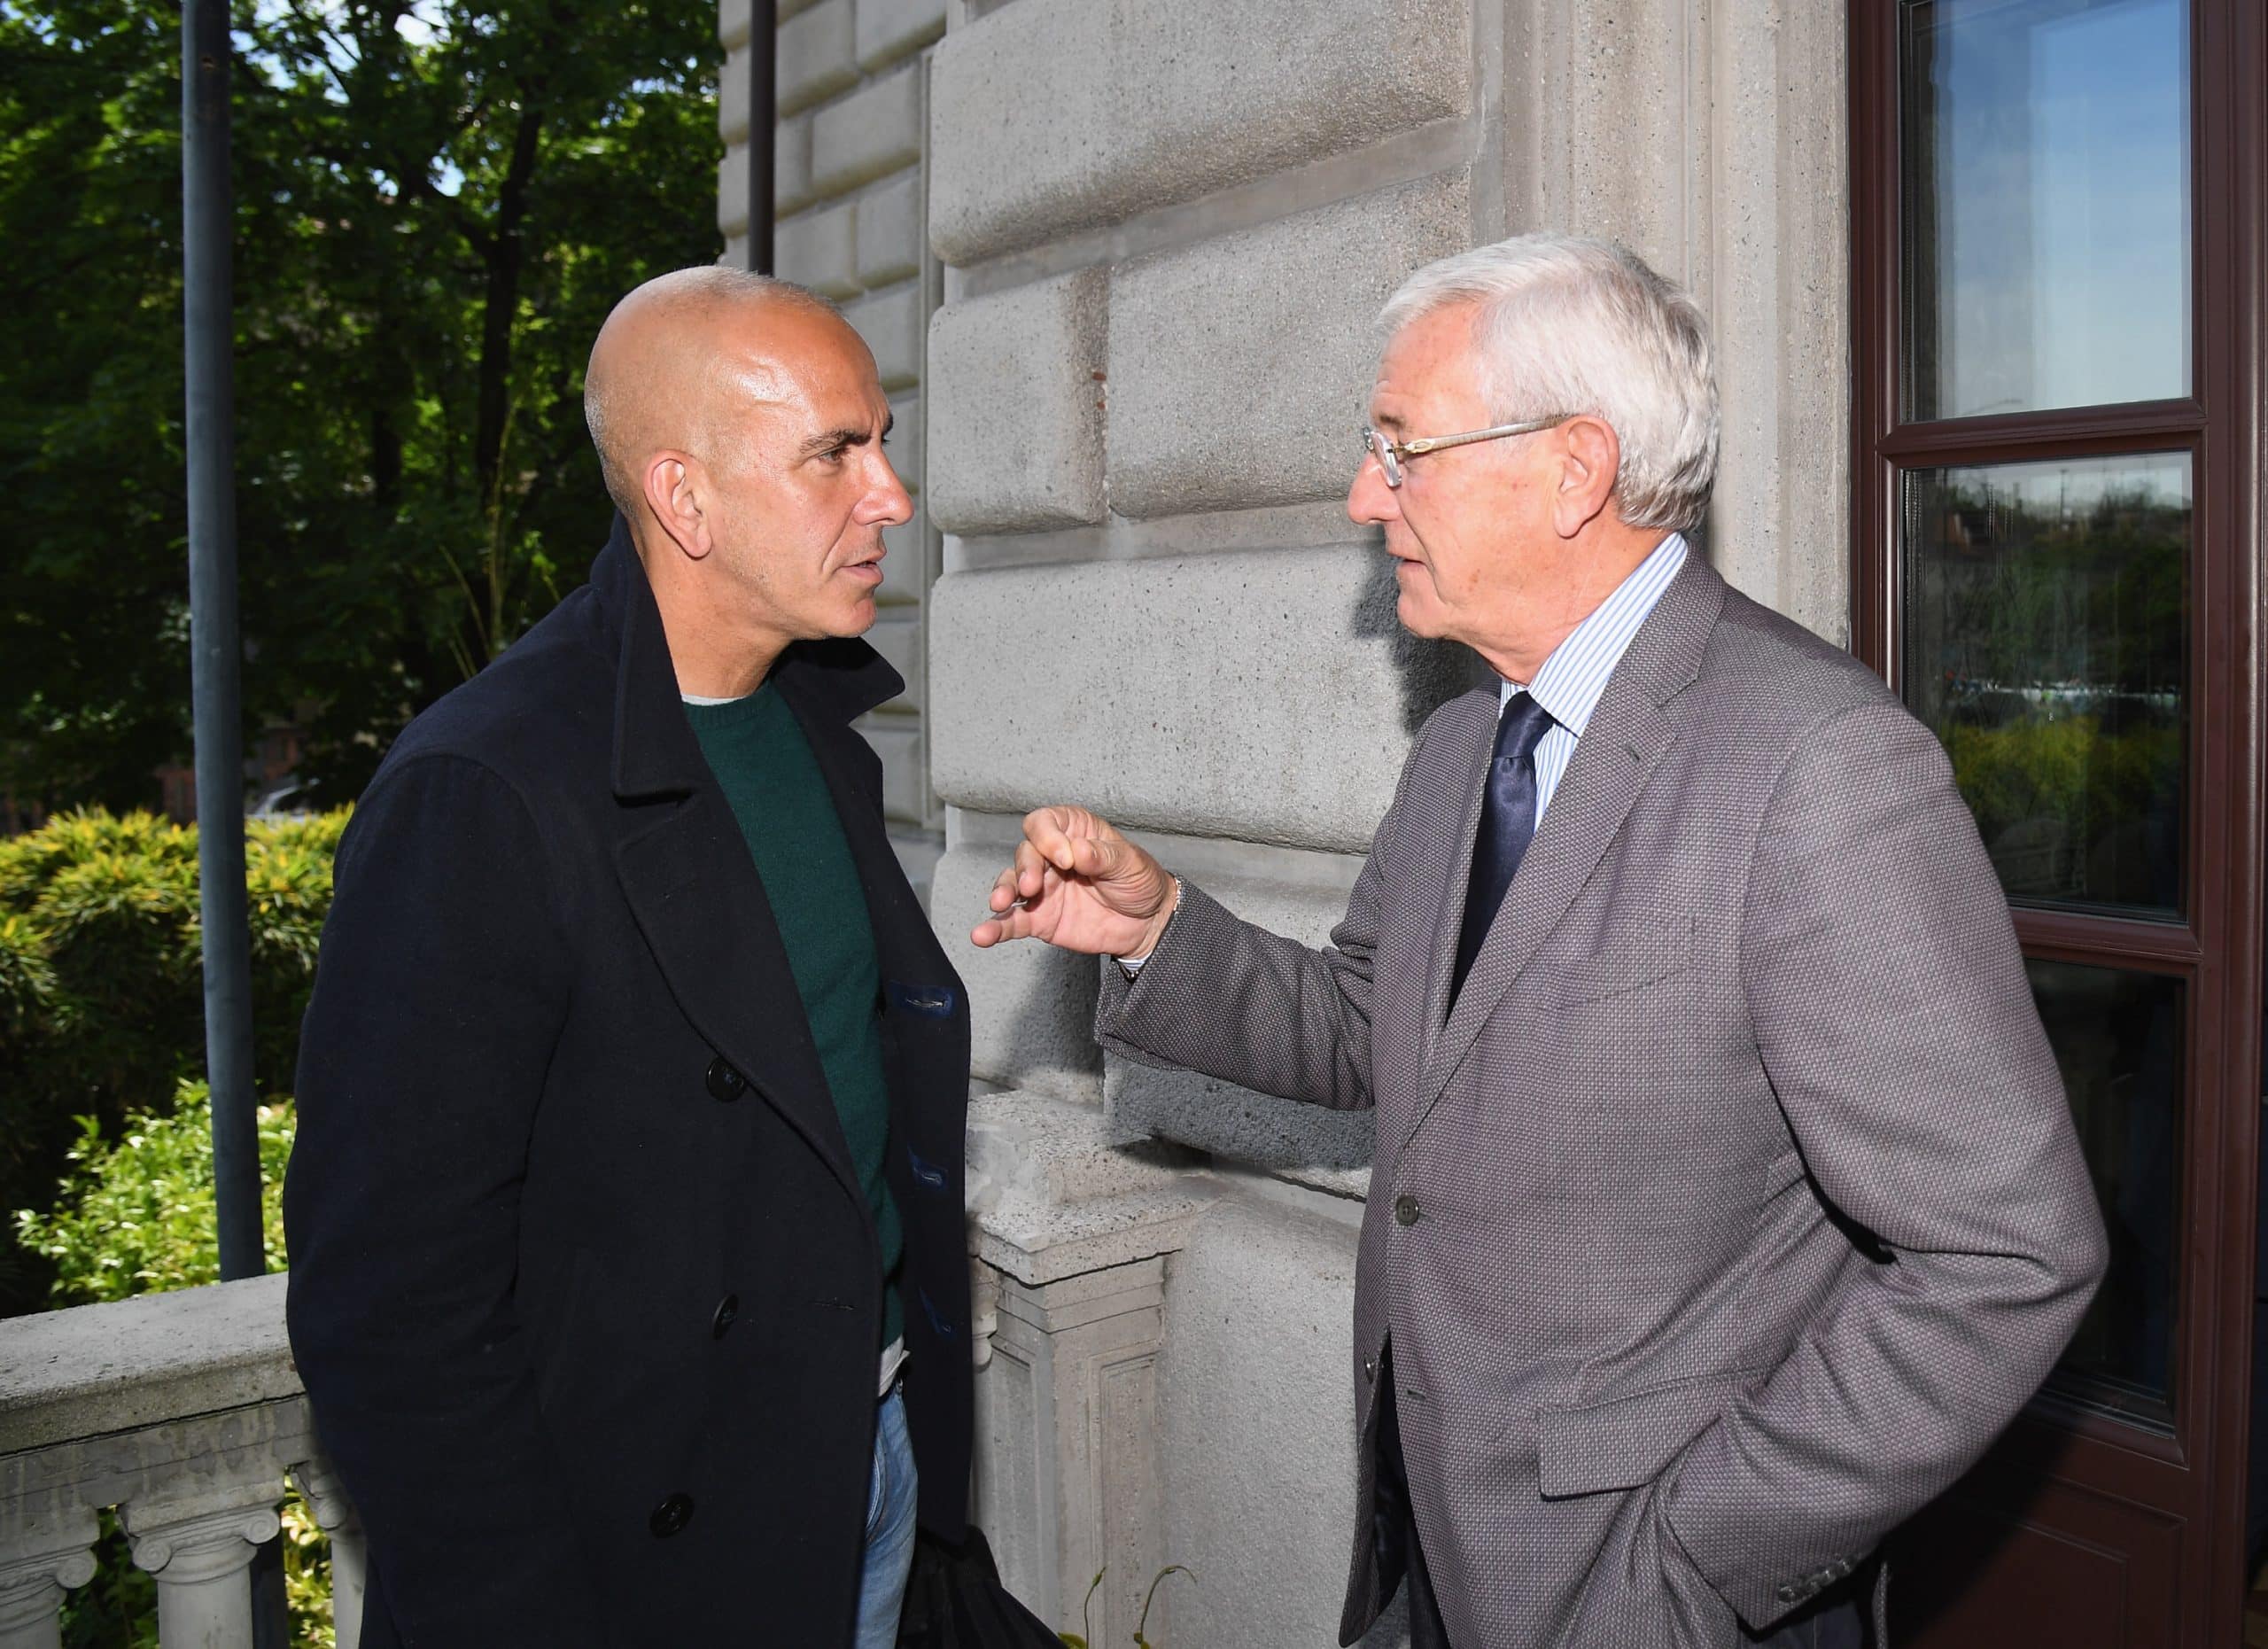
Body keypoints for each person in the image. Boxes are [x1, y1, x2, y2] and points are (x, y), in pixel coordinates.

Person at [972, 234, 2108, 1649]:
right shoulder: (1462, 743)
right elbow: (1370, 1027)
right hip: (1428, 1550)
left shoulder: (1818, 764)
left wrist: (1692, 1558)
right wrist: (1156, 931)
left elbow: (2006, 1253)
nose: (1360, 495)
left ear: (1575, 466)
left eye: (1401, 449)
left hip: (1654, 1598)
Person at [284, 268, 973, 1647]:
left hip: (870, 1464)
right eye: (837, 452)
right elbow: (392, 1304)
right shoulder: (481, 789)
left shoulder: (814, 725)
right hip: (642, 1559)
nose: (891, 495)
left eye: (881, 440)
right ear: (686, 497)